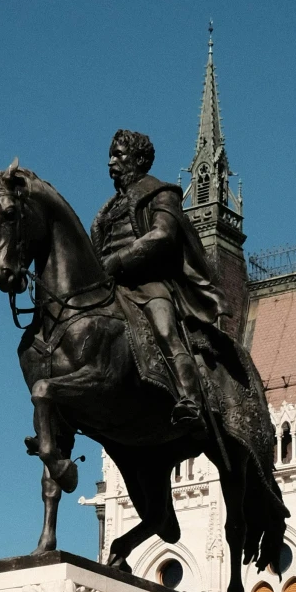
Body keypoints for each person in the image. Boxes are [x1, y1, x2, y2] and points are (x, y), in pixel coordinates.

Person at [90, 129, 227, 424]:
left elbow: (163, 235)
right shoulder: (108, 210)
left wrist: (116, 260)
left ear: (139, 159)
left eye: (119, 155)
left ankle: (190, 398)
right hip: (113, 287)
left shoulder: (161, 193)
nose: (111, 161)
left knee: (165, 330)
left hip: (150, 282)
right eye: (110, 155)